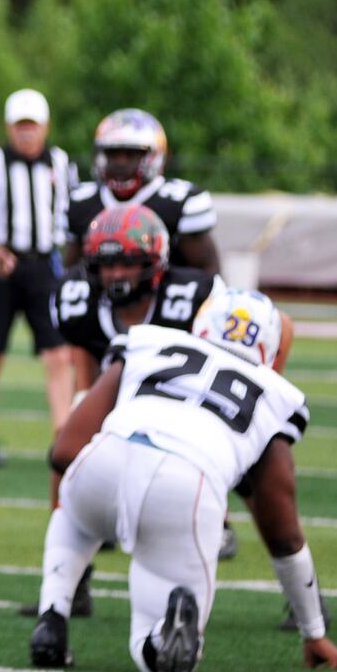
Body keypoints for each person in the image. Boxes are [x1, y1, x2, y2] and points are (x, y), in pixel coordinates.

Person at [31, 287, 337, 672]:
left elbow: (64, 451)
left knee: (74, 511)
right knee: (160, 651)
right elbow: (283, 534)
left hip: (110, 454)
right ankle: (161, 640)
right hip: (186, 483)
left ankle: (53, 614)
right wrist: (313, 630)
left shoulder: (150, 341)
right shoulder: (276, 394)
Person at [29, 203, 223, 618]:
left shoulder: (195, 296)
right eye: (107, 264)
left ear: (154, 264)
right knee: (63, 451)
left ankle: (298, 594)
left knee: (265, 475)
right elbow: (84, 349)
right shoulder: (76, 300)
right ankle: (72, 583)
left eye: (128, 264)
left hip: (187, 405)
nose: (116, 275)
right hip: (117, 393)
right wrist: (82, 405)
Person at [0, 88, 76, 467]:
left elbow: (74, 215)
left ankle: (62, 436)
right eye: (20, 126)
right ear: (10, 128)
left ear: (44, 127)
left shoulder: (61, 162)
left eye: (32, 126)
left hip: (45, 265)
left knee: (58, 354)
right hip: (2, 267)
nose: (26, 133)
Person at [63, 109, 220, 276]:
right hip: (102, 299)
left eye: (131, 155)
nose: (120, 163)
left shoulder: (181, 203)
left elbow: (206, 274)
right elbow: (71, 274)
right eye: (113, 154)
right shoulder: (81, 202)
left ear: (155, 156)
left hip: (164, 298)